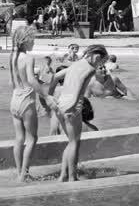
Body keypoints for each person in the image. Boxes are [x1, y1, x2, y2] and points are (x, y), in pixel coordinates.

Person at [48, 44, 109, 182]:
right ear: (97, 56)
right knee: (75, 143)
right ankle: (72, 177)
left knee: (70, 142)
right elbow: (81, 83)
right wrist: (74, 103)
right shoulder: (91, 69)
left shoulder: (75, 64)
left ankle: (63, 175)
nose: (101, 65)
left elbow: (56, 76)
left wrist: (49, 96)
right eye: (102, 62)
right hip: (72, 106)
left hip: (59, 105)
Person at [9, 19, 48, 182]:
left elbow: (11, 82)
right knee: (32, 138)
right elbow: (32, 81)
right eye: (33, 39)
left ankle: (19, 172)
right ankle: (24, 174)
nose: (34, 42)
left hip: (14, 101)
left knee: (19, 138)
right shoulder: (28, 58)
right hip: (26, 101)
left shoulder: (12, 57)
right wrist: (46, 95)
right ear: (26, 40)